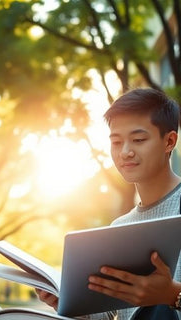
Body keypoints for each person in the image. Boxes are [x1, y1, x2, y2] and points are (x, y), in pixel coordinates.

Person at [36, 87, 181, 319]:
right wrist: (69, 304)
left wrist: (173, 294)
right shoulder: (119, 228)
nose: (125, 152)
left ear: (169, 141)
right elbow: (110, 314)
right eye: (116, 142)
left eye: (138, 139)